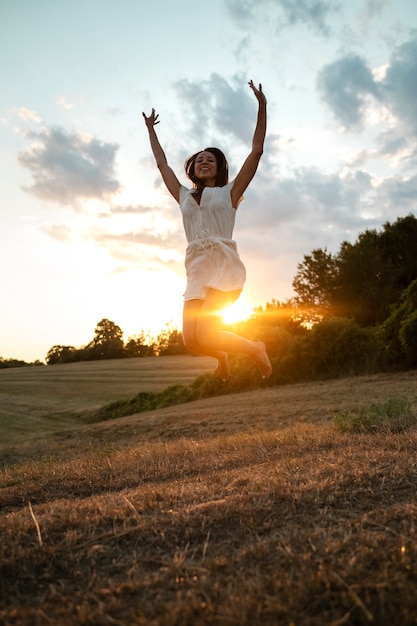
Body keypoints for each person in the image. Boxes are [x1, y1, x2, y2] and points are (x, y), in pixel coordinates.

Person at [142, 80, 272, 381]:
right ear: (192, 168)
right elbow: (162, 165)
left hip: (223, 266)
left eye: (210, 160)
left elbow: (256, 151)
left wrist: (262, 106)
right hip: (196, 268)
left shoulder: (230, 193)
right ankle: (222, 355)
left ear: (218, 167)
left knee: (208, 331)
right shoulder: (183, 196)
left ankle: (254, 347)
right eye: (199, 160)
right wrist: (151, 130)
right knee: (191, 340)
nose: (203, 162)